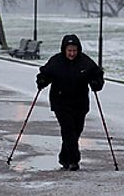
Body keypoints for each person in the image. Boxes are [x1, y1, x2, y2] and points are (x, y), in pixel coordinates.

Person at [36, 34, 104, 171]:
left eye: (74, 51)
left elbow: (97, 74)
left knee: (76, 131)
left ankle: (64, 157)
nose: (72, 54)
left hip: (80, 103)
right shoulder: (56, 61)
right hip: (61, 102)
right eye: (69, 51)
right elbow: (45, 73)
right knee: (69, 130)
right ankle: (73, 160)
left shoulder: (85, 62)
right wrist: (42, 81)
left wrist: (96, 83)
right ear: (64, 50)